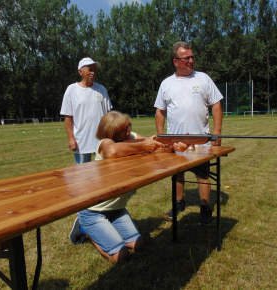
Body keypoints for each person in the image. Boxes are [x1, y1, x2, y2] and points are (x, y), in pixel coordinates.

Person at [69, 111, 187, 262]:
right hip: (94, 210)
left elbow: (156, 146)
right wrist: (143, 145)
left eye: (128, 127)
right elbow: (112, 151)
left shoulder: (131, 137)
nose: (128, 132)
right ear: (110, 134)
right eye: (121, 132)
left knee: (138, 245)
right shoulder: (105, 143)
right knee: (121, 256)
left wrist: (174, 146)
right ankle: (84, 229)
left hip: (117, 209)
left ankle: (103, 228)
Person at [154, 41, 223, 225]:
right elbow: (160, 112)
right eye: (187, 58)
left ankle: (205, 208)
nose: (191, 60)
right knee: (177, 174)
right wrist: (162, 138)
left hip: (201, 141)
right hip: (175, 142)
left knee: (202, 175)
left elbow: (216, 104)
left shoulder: (203, 79)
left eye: (192, 57)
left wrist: (217, 132)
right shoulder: (166, 84)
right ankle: (179, 203)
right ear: (176, 61)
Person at [60, 57, 112, 165]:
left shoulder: (101, 89)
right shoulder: (71, 90)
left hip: (102, 141)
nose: (93, 73)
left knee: (104, 172)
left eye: (94, 70)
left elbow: (109, 115)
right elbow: (68, 118)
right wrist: (71, 139)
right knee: (82, 176)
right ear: (80, 72)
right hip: (81, 142)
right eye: (90, 70)